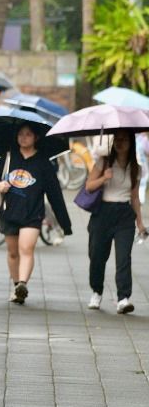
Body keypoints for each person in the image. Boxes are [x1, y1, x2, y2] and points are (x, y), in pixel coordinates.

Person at [0, 123, 72, 304]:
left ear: (36, 138)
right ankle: (16, 286)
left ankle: (23, 283)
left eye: (28, 135)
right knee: (12, 253)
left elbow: (55, 194)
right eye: (21, 134)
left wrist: (65, 224)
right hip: (10, 211)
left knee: (26, 248)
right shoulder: (9, 157)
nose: (24, 138)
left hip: (32, 214)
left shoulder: (43, 163)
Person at [85, 131, 143, 314]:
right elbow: (88, 186)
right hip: (102, 213)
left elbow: (134, 198)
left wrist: (140, 223)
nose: (120, 143)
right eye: (117, 139)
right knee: (97, 256)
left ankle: (123, 298)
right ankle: (96, 291)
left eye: (124, 139)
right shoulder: (103, 162)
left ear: (131, 142)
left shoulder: (136, 168)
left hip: (124, 215)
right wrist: (104, 178)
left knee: (123, 257)